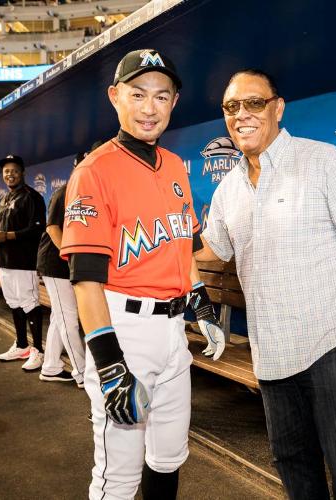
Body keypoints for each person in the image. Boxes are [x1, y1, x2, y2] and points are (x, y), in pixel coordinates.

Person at [196, 69, 336, 499]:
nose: (242, 115)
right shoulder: (227, 189)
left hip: (333, 345)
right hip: (271, 353)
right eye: (231, 107)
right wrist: (149, 250)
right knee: (295, 468)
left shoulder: (322, 161)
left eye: (253, 103)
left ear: (277, 107)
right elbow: (210, 250)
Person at [60, 49, 225, 500]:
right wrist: (110, 361)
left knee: (169, 456)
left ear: (174, 102)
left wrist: (201, 302)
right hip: (123, 328)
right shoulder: (94, 171)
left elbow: (183, 248)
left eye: (161, 96)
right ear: (116, 97)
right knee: (118, 477)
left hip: (174, 331)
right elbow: (85, 280)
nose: (149, 107)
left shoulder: (174, 166)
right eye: (138, 94)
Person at [0, 154, 47, 371]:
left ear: (22, 173)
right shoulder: (4, 198)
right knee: (13, 302)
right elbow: (3, 228)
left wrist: (8, 236)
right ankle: (21, 345)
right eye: (6, 171)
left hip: (23, 261)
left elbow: (38, 229)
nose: (9, 174)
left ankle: (38, 350)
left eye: (14, 170)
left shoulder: (32, 196)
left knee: (29, 303)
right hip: (5, 260)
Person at [36, 153, 88, 387]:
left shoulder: (88, 193)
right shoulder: (64, 191)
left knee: (60, 317)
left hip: (67, 265)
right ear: (75, 168)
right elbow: (52, 229)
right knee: (69, 320)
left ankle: (51, 367)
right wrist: (70, 258)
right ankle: (82, 372)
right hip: (56, 265)